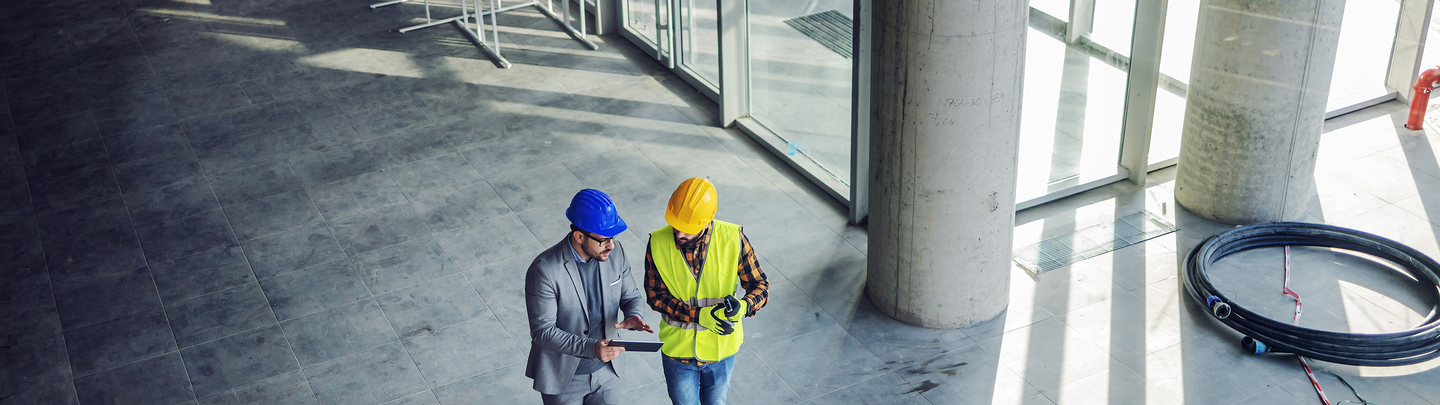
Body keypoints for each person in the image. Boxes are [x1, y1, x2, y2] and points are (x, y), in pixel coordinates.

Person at [645, 177, 769, 405]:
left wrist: (743, 307)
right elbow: (655, 296)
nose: (679, 233)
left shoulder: (733, 238)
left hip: (721, 351)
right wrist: (698, 315)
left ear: (706, 221)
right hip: (678, 352)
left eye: (687, 228)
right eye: (676, 225)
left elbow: (760, 286)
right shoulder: (657, 242)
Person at [525, 189, 654, 405]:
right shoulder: (544, 270)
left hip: (608, 373)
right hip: (565, 378)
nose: (611, 245)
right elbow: (542, 331)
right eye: (604, 240)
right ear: (579, 236)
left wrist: (634, 314)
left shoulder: (615, 253)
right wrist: (590, 348)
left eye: (613, 238)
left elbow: (631, 296)